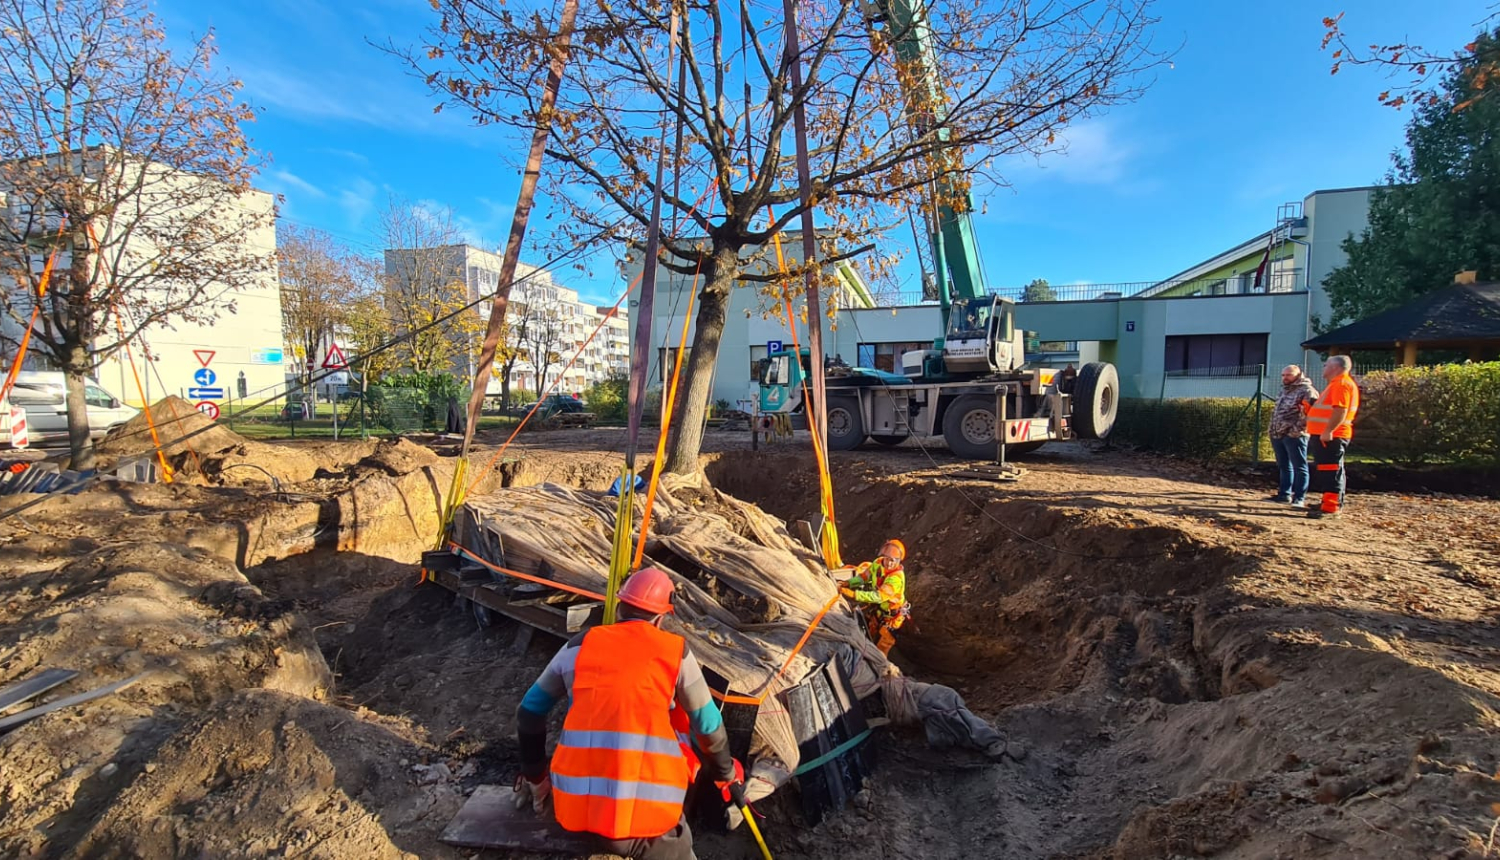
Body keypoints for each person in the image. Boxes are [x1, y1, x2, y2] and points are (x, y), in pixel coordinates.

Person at [513, 567, 741, 860]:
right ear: (662, 617)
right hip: (645, 822)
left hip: (571, 809)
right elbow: (708, 725)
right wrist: (726, 776)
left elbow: (529, 712)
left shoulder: (577, 647)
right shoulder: (675, 653)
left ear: (620, 606)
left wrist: (535, 777)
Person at [1304, 355, 1360, 519]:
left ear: (1335, 368)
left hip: (1331, 436)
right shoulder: (1337, 384)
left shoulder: (1341, 385)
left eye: (1326, 365)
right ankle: (1329, 502)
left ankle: (1331, 507)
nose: (1324, 368)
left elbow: (1340, 411)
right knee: (1331, 469)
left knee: (1331, 470)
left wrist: (1328, 431)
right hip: (1329, 434)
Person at [840, 539, 909, 655]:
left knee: (882, 648)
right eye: (887, 559)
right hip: (878, 612)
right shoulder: (877, 564)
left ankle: (879, 669)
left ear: (898, 561)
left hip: (891, 618)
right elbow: (864, 577)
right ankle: (864, 652)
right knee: (869, 634)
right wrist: (849, 583)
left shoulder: (896, 579)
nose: (889, 563)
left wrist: (854, 594)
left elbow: (878, 596)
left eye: (893, 561)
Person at [1267, 364, 1318, 507]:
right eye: (1283, 375)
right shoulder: (1284, 390)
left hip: (1295, 435)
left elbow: (1310, 414)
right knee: (1284, 465)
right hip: (1277, 433)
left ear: (1298, 374)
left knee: (1299, 466)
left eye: (1288, 375)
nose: (1285, 378)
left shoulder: (1307, 391)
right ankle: (1284, 494)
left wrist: (1295, 431)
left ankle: (1299, 497)